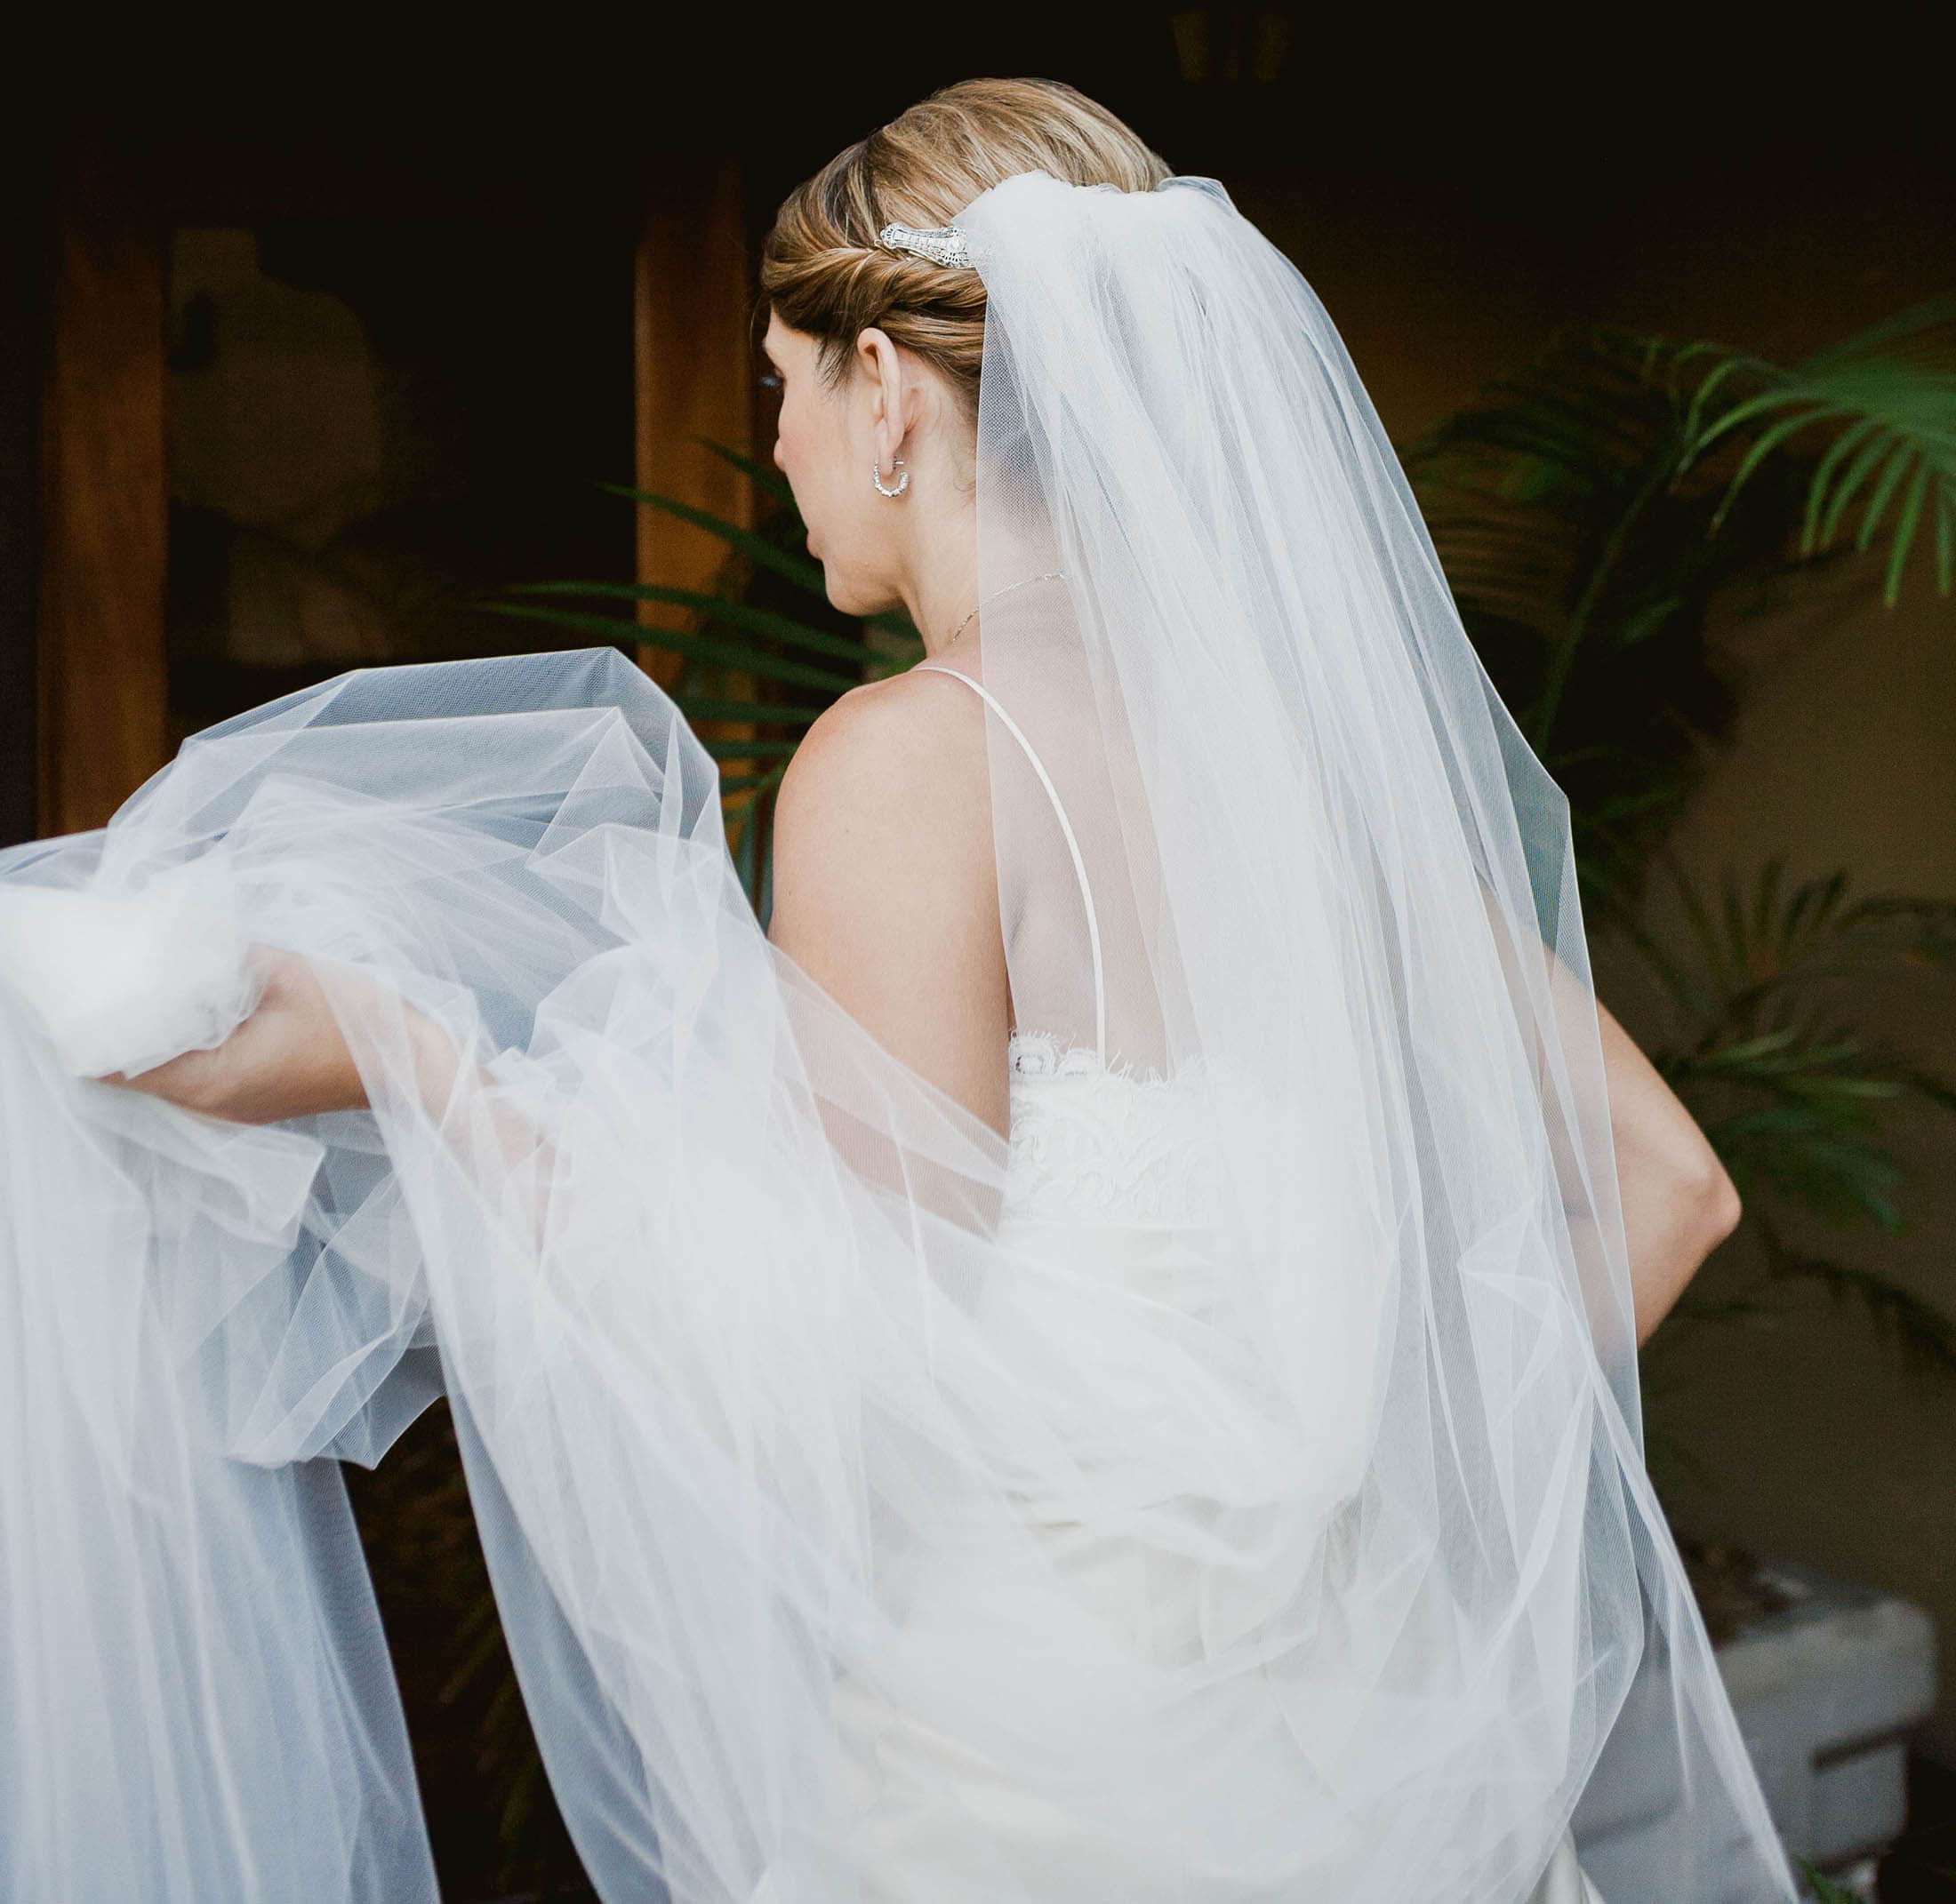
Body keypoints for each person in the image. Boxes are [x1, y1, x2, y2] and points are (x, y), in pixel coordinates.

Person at [0, 79, 1795, 1903]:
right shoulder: (1299, 779)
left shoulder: (908, 765)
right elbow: (1669, 1188)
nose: (769, 447)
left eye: (778, 383)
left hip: (1038, 1797)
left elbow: (850, 1425)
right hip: (1364, 1776)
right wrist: (1345, 1523)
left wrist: (412, 1062)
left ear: (886, 395)